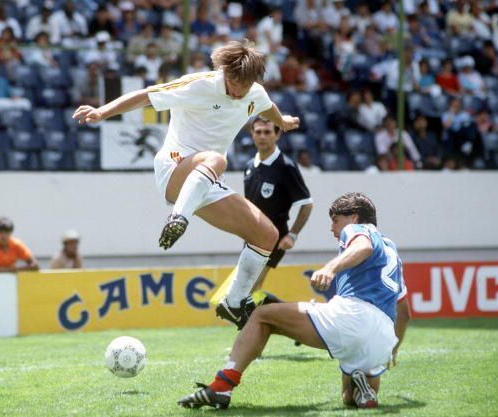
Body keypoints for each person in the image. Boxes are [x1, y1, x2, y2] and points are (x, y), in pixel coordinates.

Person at [73, 39, 300, 328]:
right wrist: (102, 112)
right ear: (224, 72)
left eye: (244, 85)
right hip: (174, 168)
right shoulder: (199, 84)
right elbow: (146, 95)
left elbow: (266, 107)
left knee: (267, 235)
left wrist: (284, 121)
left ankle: (233, 303)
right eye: (233, 82)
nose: (238, 90)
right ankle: (178, 218)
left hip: (206, 180)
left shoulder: (254, 93)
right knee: (218, 161)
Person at [177, 192, 411, 410]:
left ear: (354, 217)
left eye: (335, 220)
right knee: (348, 400)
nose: (332, 228)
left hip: (354, 317)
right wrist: (393, 349)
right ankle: (362, 389)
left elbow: (363, 246)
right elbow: (404, 311)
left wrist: (330, 268)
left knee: (262, 315)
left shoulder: (359, 230)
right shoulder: (391, 251)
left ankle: (221, 387)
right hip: (382, 337)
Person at [242, 117, 313, 298]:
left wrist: (292, 235)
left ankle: (258, 323)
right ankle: (267, 319)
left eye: (267, 132)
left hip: (274, 237)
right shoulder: (250, 166)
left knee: (252, 285)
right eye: (258, 132)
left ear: (277, 134)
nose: (262, 136)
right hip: (251, 236)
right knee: (245, 286)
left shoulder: (285, 166)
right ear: (252, 134)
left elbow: (306, 204)